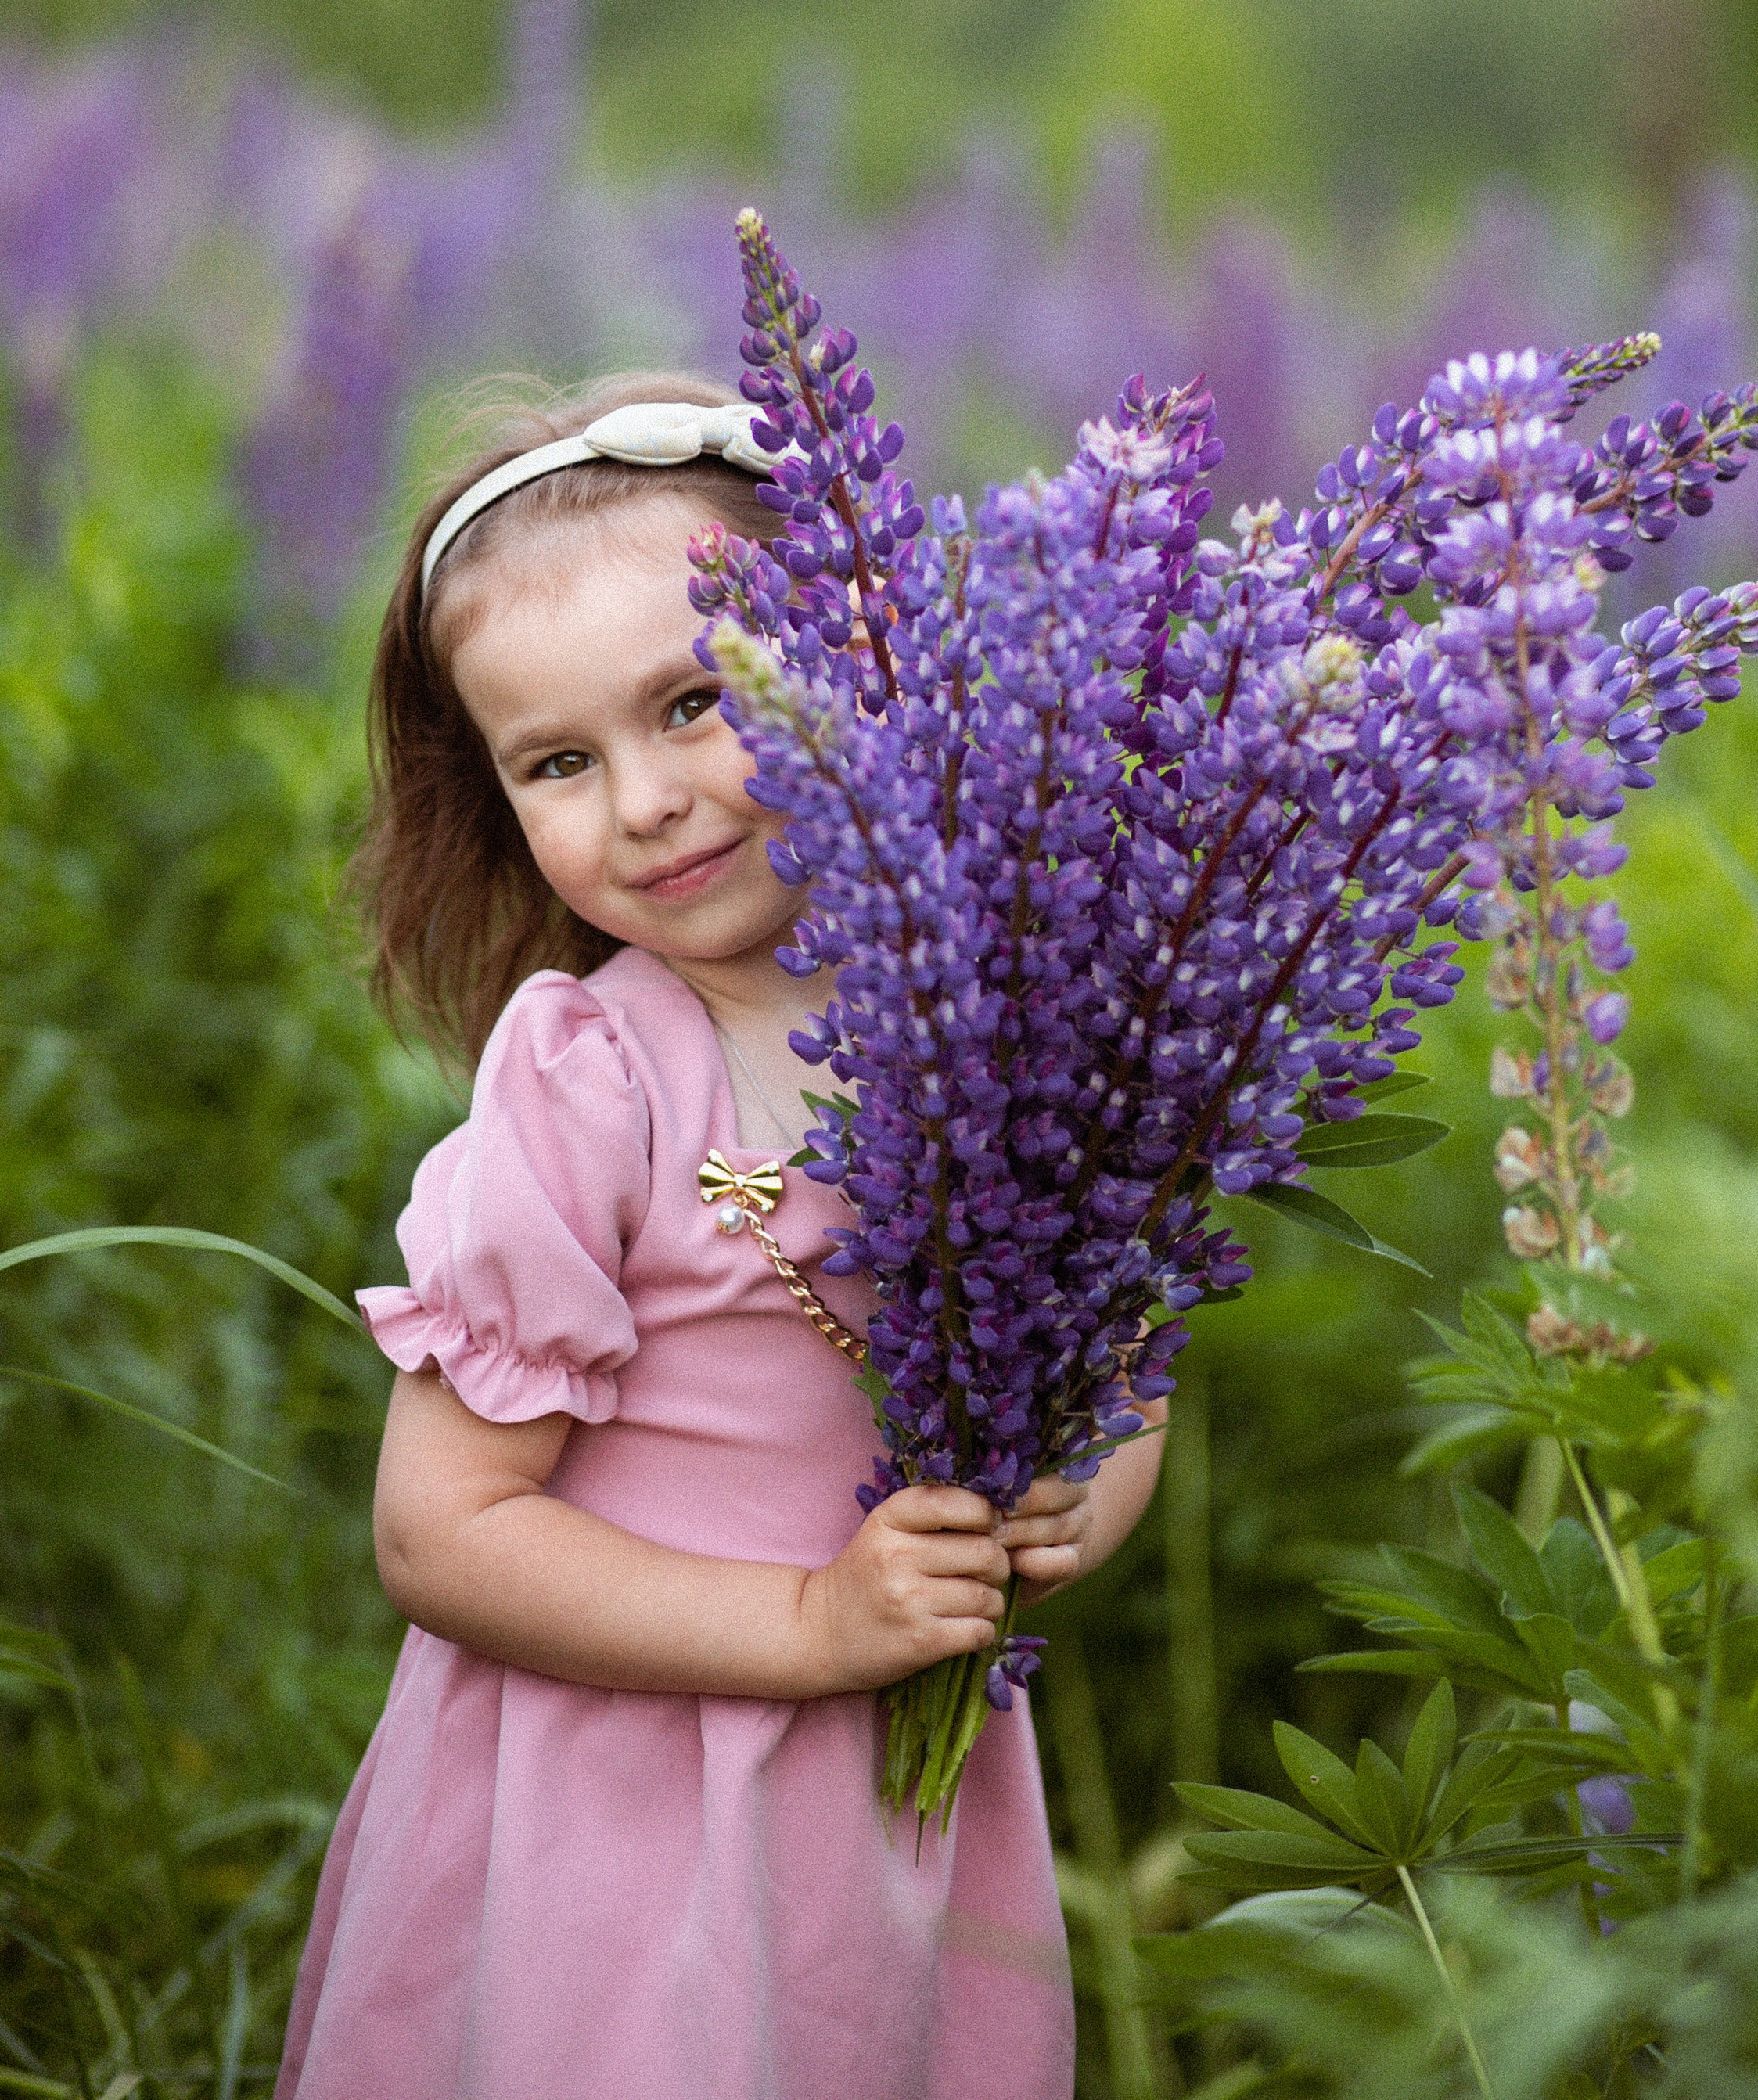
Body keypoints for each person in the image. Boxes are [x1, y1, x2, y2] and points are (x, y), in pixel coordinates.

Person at [277, 375, 1166, 2100]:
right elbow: (442, 1532)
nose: (645, 801)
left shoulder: (1019, 1013)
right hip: (607, 1813)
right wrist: (813, 1630)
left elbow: (1127, 1358)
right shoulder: (587, 1080)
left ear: (857, 658)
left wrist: (1074, 1499)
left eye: (695, 701)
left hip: (894, 1800)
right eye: (557, 761)